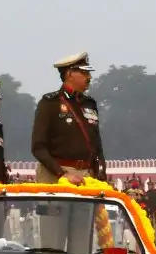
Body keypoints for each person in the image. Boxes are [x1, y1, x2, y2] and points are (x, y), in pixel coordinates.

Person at [32, 52, 105, 182]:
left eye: (88, 73)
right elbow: (38, 147)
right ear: (69, 74)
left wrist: (101, 173)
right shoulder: (50, 103)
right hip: (57, 174)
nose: (89, 77)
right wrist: (62, 173)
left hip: (87, 175)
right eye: (84, 73)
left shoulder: (89, 103)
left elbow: (97, 146)